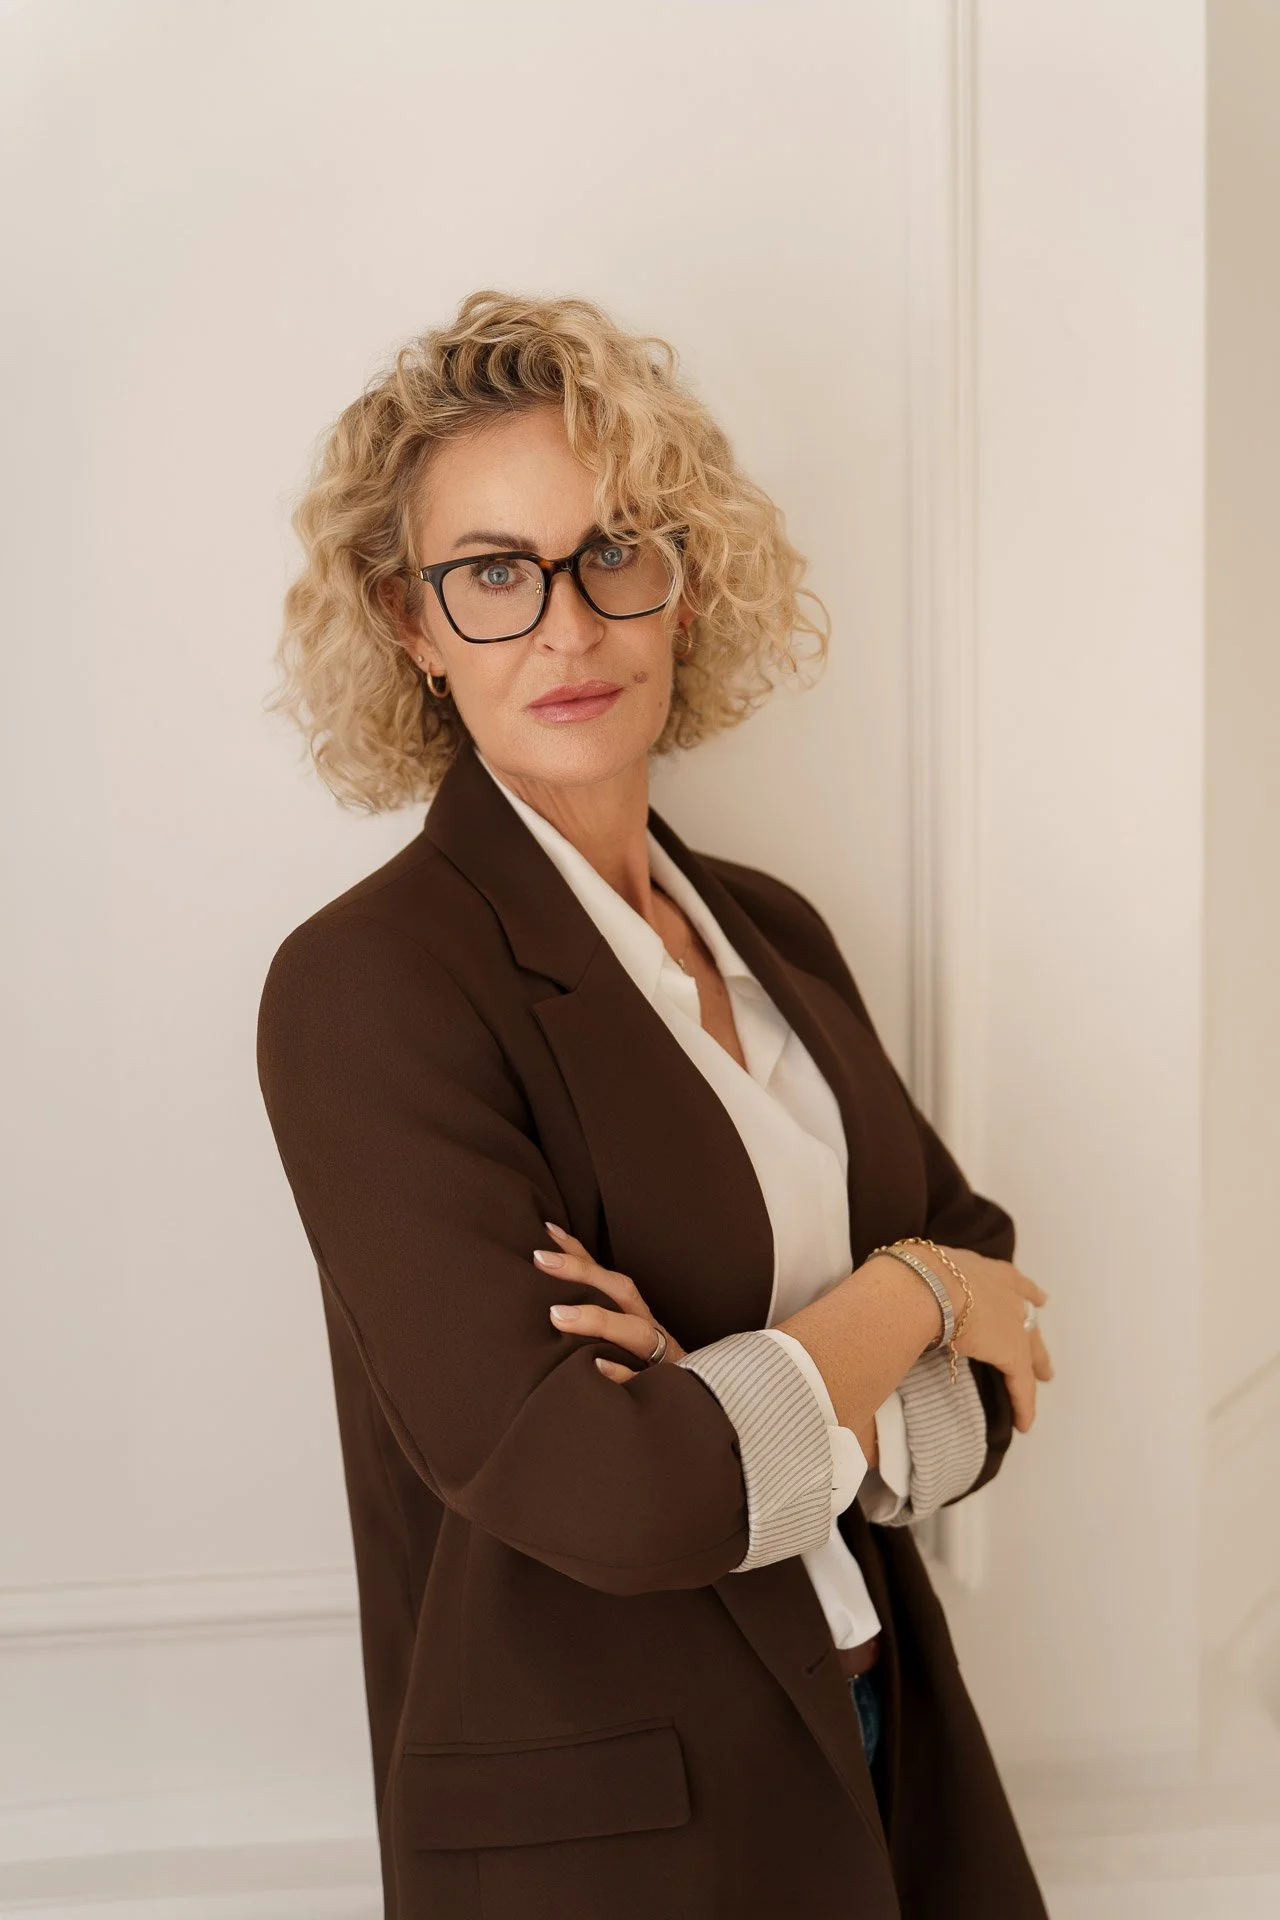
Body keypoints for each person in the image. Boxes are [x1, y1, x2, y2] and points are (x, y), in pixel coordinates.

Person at [256, 289, 1055, 1919]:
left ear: (684, 583)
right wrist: (906, 1298)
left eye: (615, 550)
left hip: (887, 1743)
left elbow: (1003, 1369)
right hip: (610, 1839)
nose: (567, 624)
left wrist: (723, 1399)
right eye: (493, 573)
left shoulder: (778, 929)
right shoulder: (371, 986)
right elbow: (612, 1496)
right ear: (410, 624)